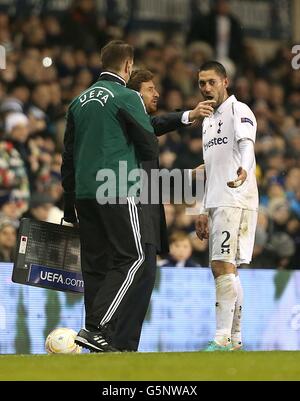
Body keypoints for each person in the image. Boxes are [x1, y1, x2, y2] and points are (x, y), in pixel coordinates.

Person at [61, 41, 159, 352]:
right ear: (128, 66)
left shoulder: (77, 102)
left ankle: (99, 339)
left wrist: (69, 206)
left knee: (96, 265)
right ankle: (96, 327)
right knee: (134, 256)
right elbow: (148, 146)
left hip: (84, 195)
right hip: (116, 187)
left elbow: (68, 159)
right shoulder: (127, 96)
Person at [109, 69, 214, 351]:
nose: (157, 93)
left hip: (147, 212)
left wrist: (188, 116)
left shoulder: (138, 123)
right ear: (134, 94)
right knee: (134, 274)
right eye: (150, 89)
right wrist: (186, 176)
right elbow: (142, 174)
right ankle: (111, 338)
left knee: (144, 278)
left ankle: (124, 345)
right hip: (131, 210)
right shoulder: (124, 120)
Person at [195, 61, 258, 351]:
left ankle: (222, 338)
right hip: (217, 201)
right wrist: (200, 208)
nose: (206, 88)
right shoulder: (207, 120)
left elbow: (246, 145)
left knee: (221, 265)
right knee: (227, 268)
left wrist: (244, 169)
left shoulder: (239, 110)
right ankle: (235, 340)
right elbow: (209, 167)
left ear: (225, 81)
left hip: (235, 198)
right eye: (201, 83)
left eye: (211, 82)